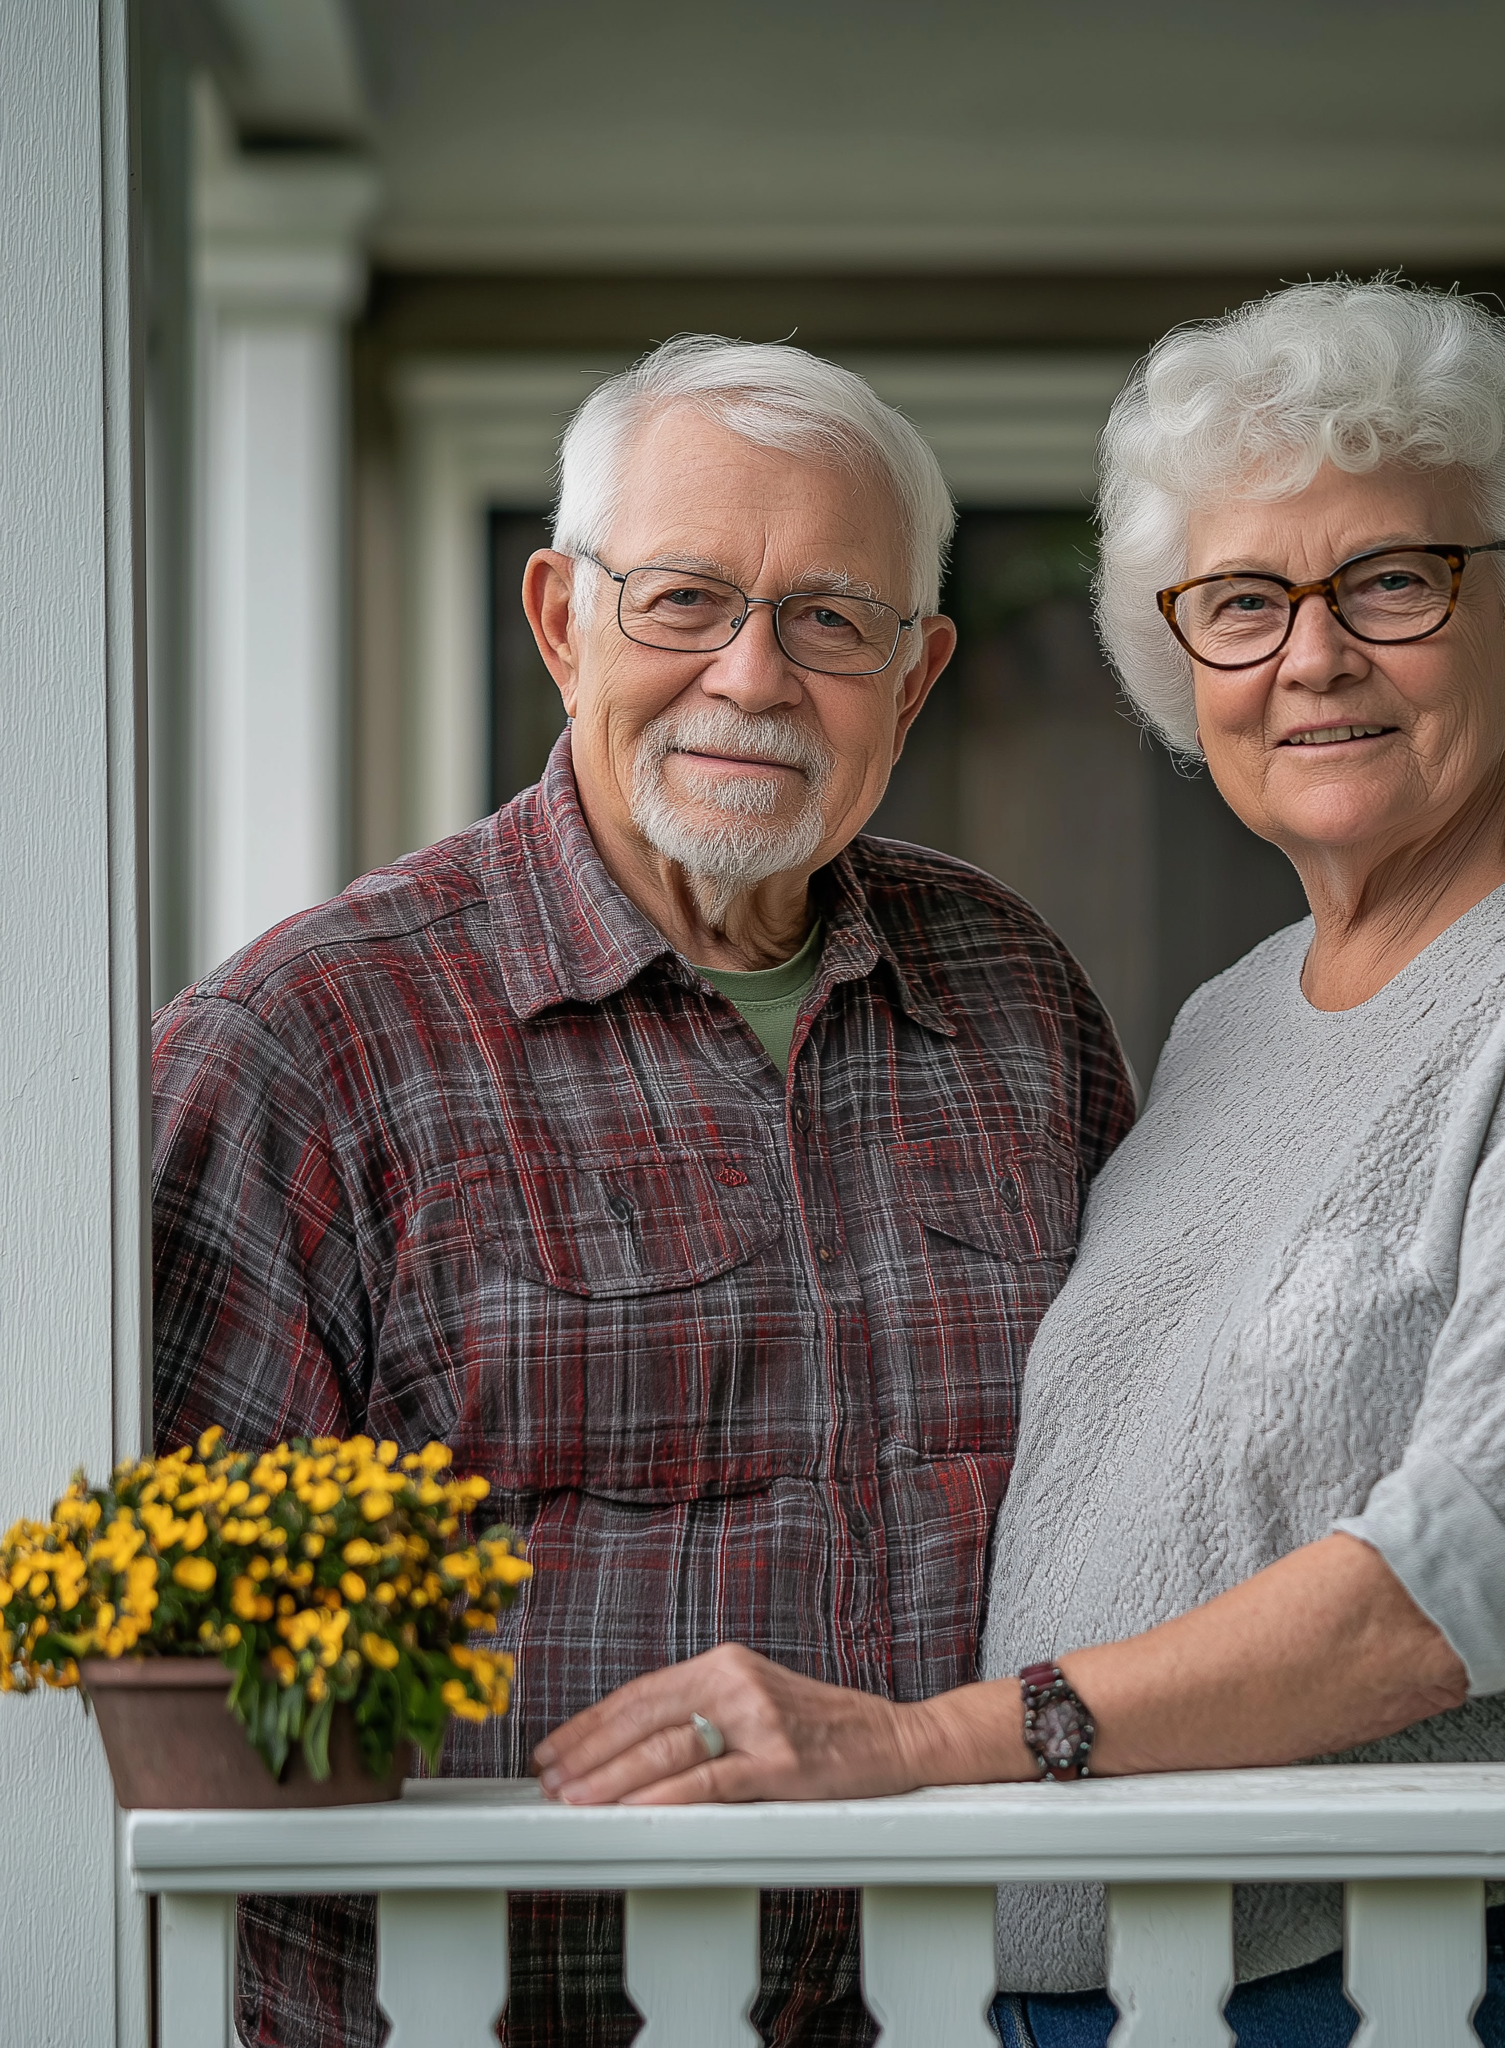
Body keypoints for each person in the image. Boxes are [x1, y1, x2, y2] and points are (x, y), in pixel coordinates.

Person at [534, 282, 1505, 2048]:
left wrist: (928, 1745)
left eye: (1394, 582)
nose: (1312, 657)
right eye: (1244, 604)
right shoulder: (1231, 1021)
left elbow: (1471, 1573)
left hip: (1487, 1971)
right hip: (1137, 1981)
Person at [149, 336, 1137, 2048]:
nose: (751, 677)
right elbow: (158, 1668)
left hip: (977, 2020)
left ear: (915, 680)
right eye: (686, 599)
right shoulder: (307, 1046)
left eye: (832, 620)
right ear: (560, 619)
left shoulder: (1015, 997)